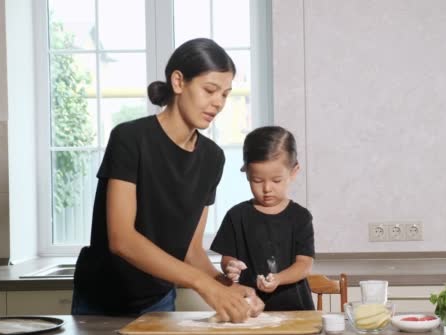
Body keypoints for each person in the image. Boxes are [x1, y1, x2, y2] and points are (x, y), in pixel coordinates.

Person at [72, 38, 264, 320]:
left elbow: (190, 251)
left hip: (157, 302)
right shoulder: (130, 139)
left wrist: (227, 287)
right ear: (178, 82)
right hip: (101, 301)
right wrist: (203, 285)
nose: (218, 103)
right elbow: (121, 239)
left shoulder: (212, 158)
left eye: (225, 94)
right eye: (210, 90)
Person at [210, 126, 316, 311]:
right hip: (249, 310)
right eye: (257, 181)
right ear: (246, 173)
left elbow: (304, 265)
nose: (267, 188)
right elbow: (228, 259)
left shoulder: (300, 217)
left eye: (276, 181)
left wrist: (278, 279)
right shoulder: (237, 215)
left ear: (294, 171)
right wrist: (231, 267)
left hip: (296, 311)